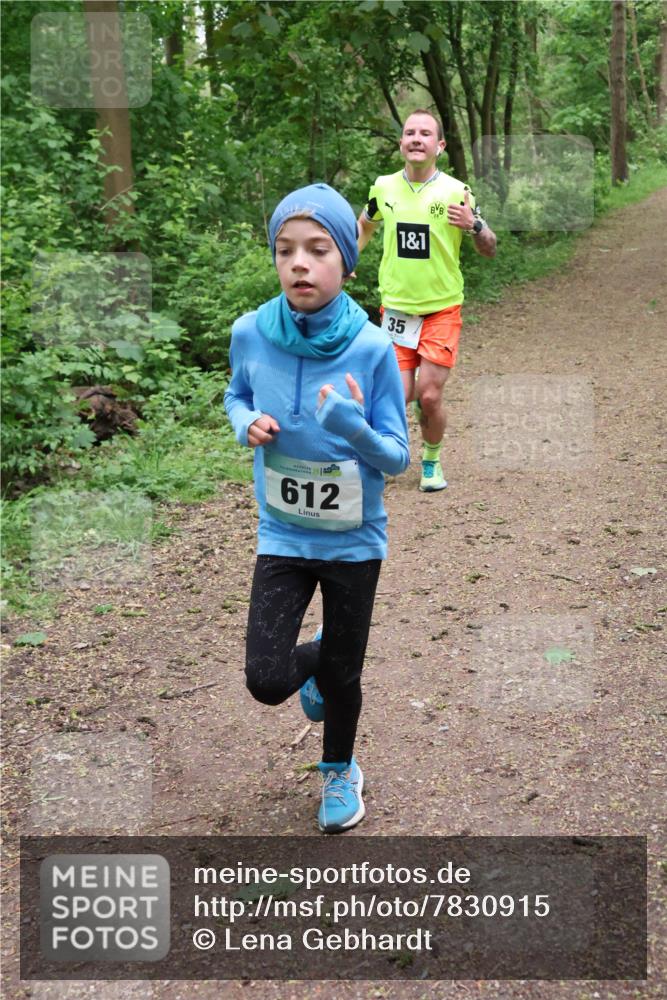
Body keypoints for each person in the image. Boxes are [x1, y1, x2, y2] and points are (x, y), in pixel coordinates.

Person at [224, 183, 409, 833]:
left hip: (352, 541)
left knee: (342, 679)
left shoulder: (372, 349)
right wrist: (244, 421)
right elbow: (234, 395)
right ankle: (327, 653)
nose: (299, 262)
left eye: (317, 249)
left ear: (347, 263)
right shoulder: (249, 333)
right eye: (285, 250)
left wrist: (352, 427)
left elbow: (395, 458)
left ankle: (338, 773)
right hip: (282, 533)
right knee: (267, 677)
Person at [357, 109, 496, 492]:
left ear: (440, 145)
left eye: (425, 133)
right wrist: (348, 259)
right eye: (409, 133)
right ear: (401, 143)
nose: (416, 139)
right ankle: (377, 460)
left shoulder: (457, 191)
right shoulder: (383, 187)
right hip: (397, 309)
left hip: (441, 309)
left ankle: (431, 461)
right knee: (396, 395)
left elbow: (489, 248)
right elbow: (364, 224)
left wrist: (476, 226)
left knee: (429, 394)